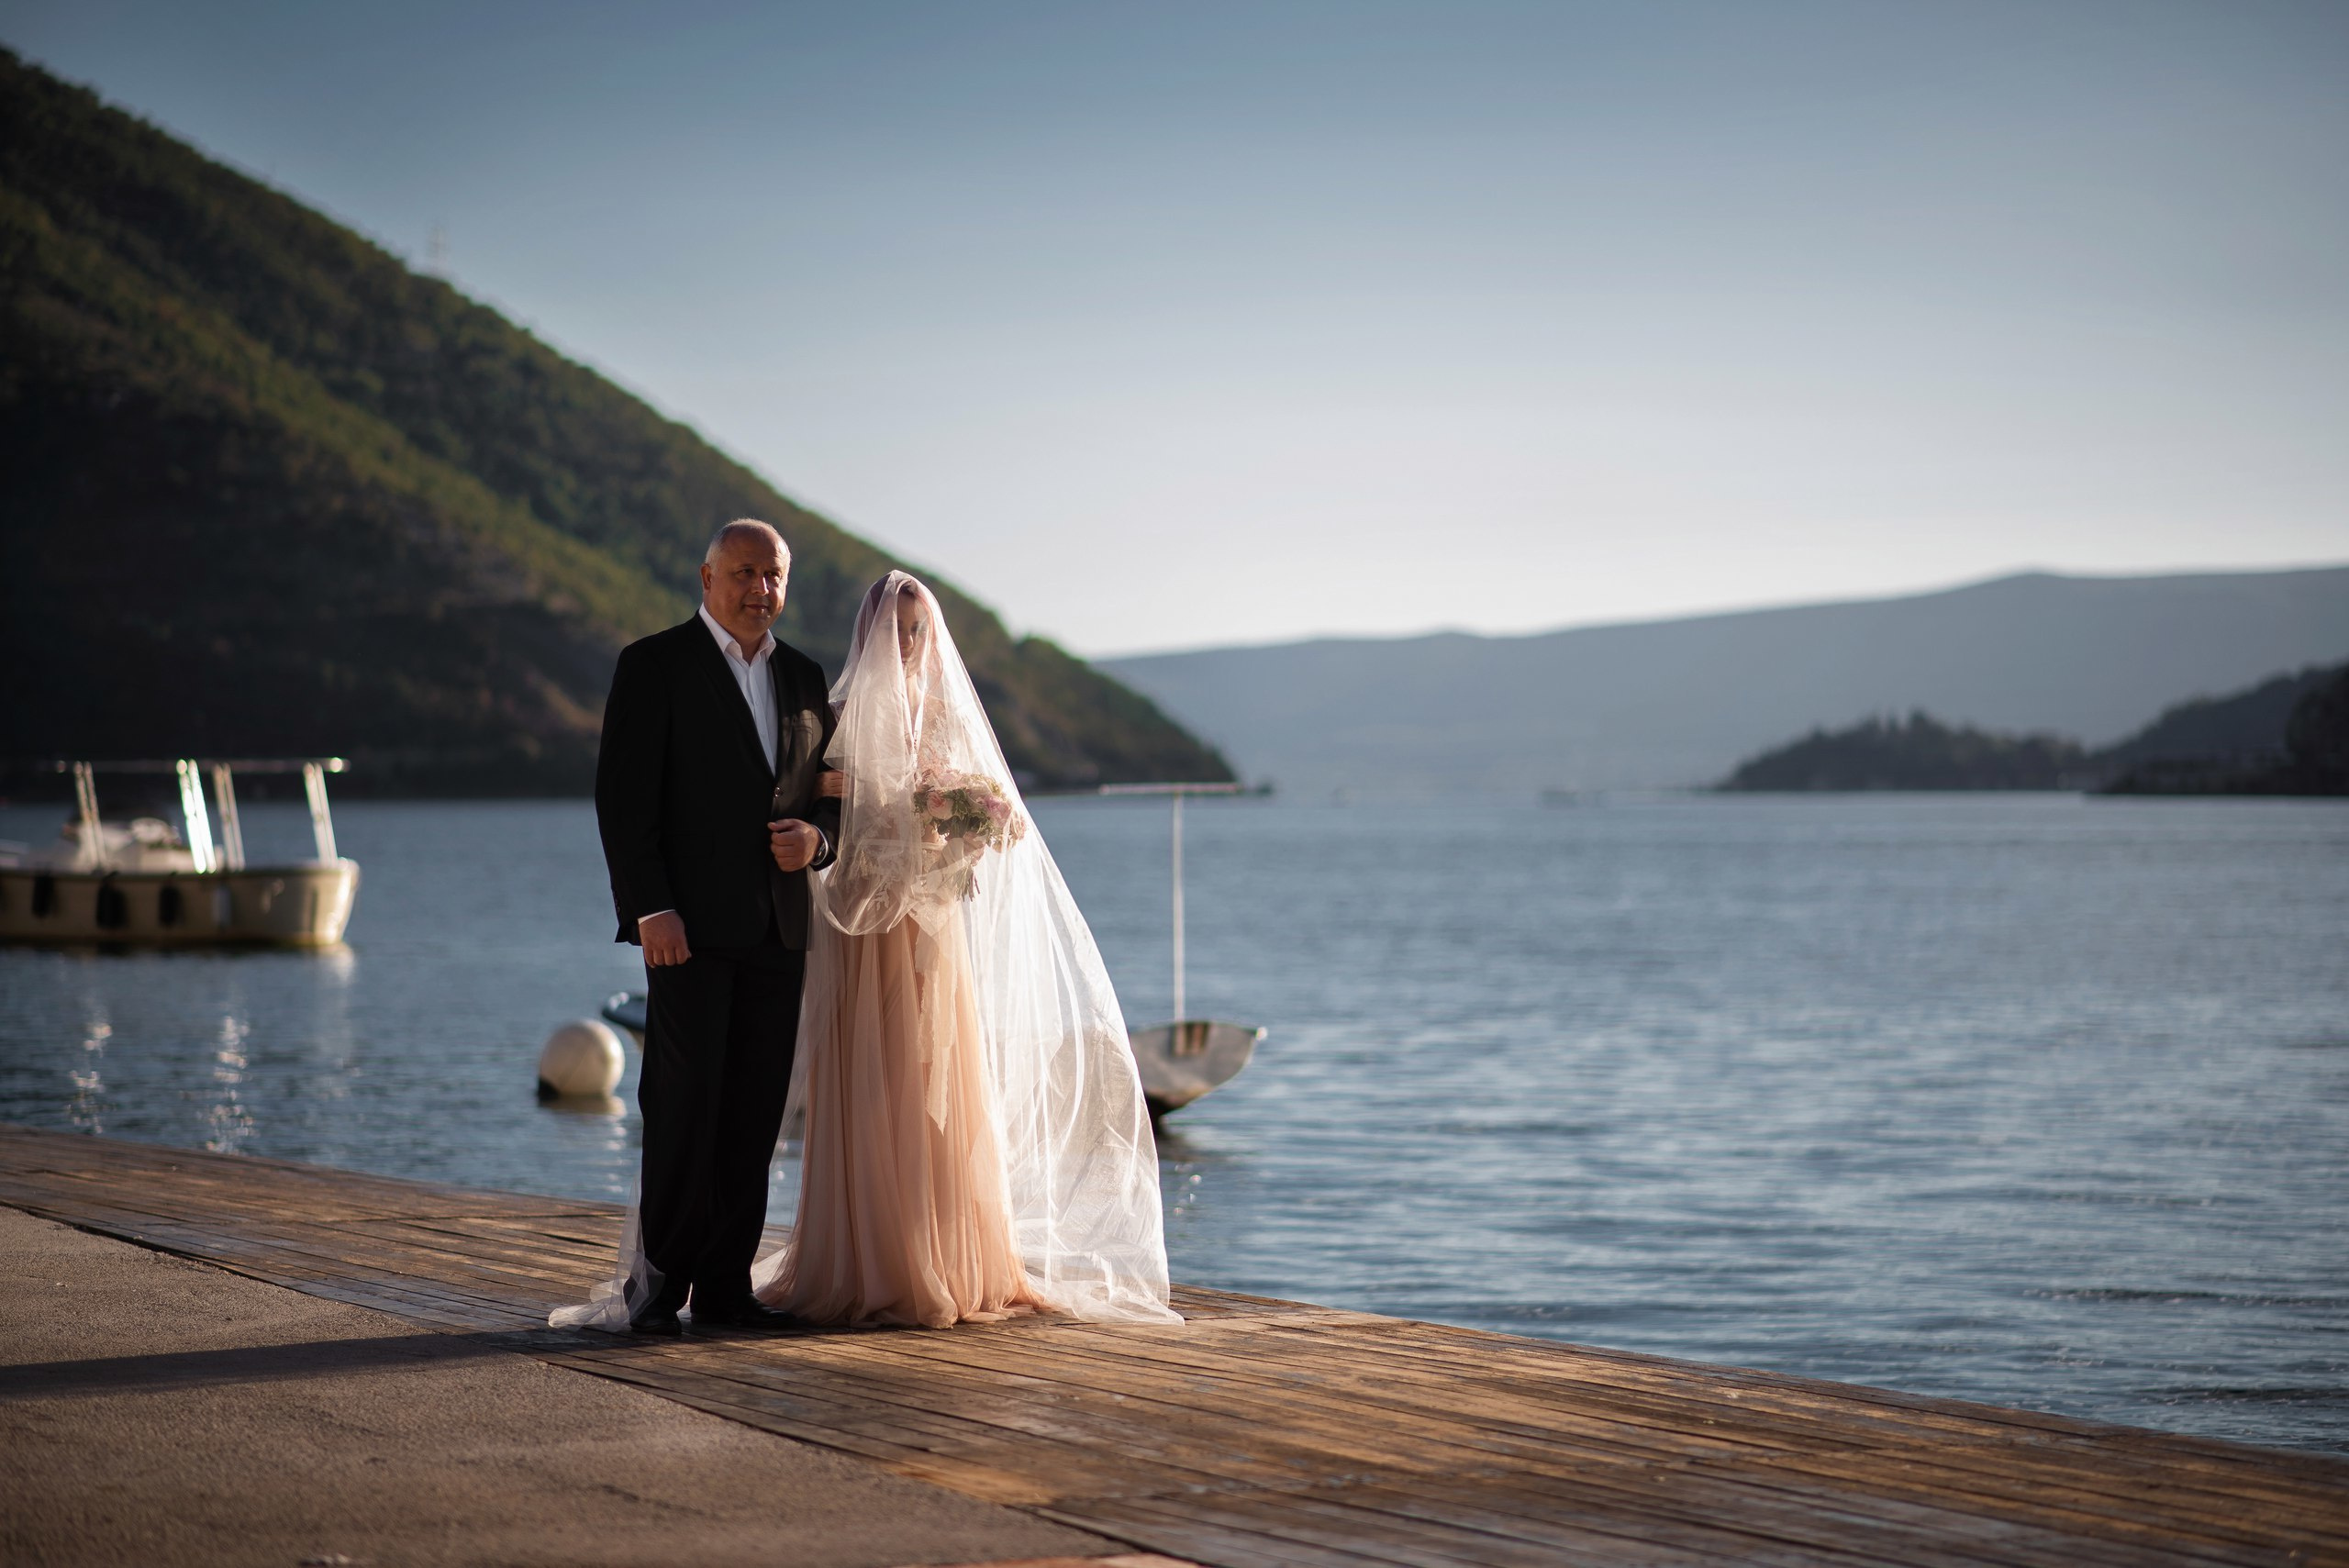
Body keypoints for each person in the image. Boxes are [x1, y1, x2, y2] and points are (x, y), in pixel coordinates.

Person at [753, 572, 1177, 1327]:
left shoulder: (947, 720)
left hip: (931, 928)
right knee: (874, 1084)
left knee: (938, 1086)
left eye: (917, 629)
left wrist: (962, 835)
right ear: (867, 632)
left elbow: (980, 822)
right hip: (863, 933)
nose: (906, 642)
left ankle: (950, 1253)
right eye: (894, 627)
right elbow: (826, 821)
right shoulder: (839, 716)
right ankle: (869, 1257)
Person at [556, 518, 840, 1336]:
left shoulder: (806, 676)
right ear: (707, 578)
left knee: (753, 1113)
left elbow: (830, 792)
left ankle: (724, 1289)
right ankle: (659, 1285)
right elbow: (624, 800)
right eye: (746, 573)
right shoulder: (653, 665)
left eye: (774, 575)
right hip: (683, 929)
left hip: (780, 931)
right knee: (682, 1103)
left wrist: (819, 840)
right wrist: (650, 907)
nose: (761, 590)